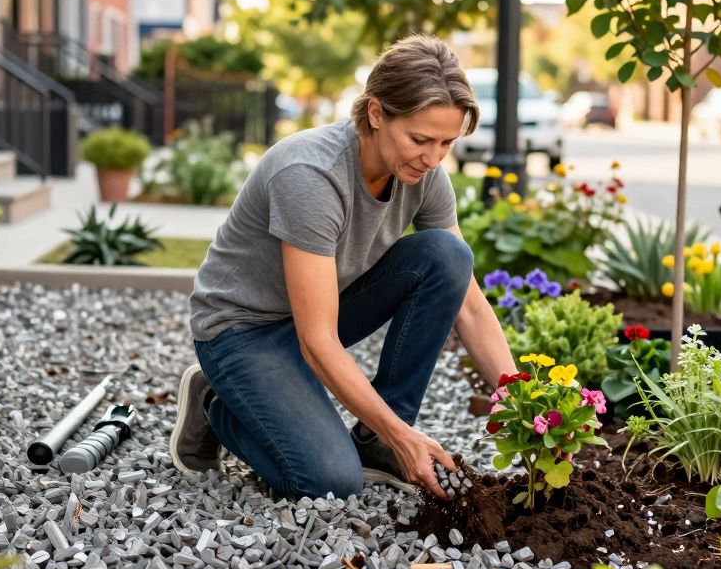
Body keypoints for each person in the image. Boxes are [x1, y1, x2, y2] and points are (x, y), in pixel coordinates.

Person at [170, 35, 519, 500]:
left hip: (318, 309)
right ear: (375, 113)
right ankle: (218, 401)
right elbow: (317, 341)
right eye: (419, 139)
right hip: (243, 329)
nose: (433, 158)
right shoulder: (310, 176)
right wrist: (405, 435)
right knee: (330, 482)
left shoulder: (425, 173)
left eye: (446, 143)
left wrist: (526, 405)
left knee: (447, 256)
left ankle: (376, 443)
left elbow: (469, 307)